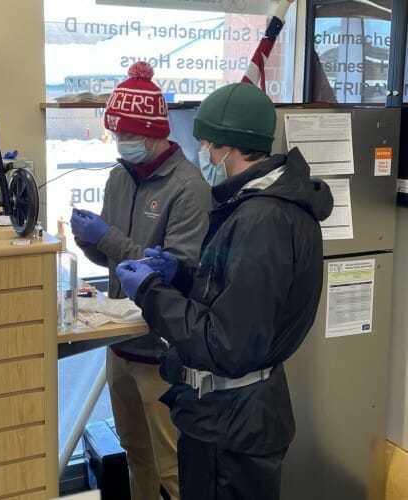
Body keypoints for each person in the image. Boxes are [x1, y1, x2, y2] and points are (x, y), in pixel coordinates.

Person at [115, 82, 334, 500]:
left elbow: (226, 342)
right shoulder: (256, 205)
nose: (203, 155)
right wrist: (179, 276)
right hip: (234, 417)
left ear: (227, 148)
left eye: (205, 145)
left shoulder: (262, 219)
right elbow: (235, 299)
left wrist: (149, 291)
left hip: (232, 428)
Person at [70, 61, 211, 500]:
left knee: (171, 464)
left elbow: (173, 271)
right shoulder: (119, 176)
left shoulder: (189, 188)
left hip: (160, 351)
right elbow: (111, 256)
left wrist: (107, 237)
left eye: (128, 136)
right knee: (135, 454)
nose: (121, 143)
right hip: (120, 344)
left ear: (153, 133)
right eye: (117, 135)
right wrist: (88, 239)